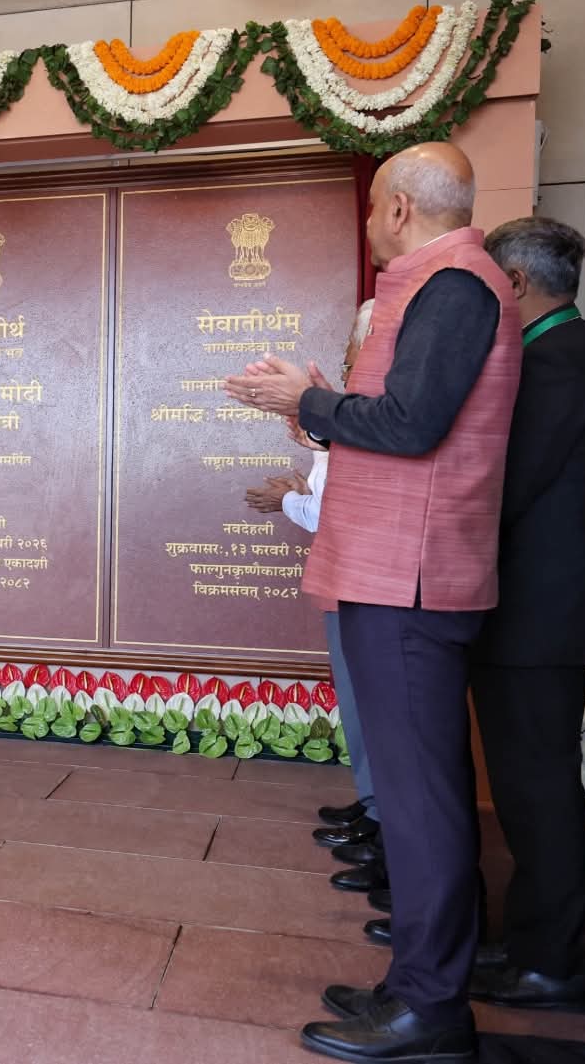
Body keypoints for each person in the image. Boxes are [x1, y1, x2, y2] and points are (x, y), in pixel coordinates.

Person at [226, 142, 521, 1063]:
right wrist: (315, 405)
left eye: (370, 206)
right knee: (412, 788)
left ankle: (431, 1010)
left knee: (421, 798)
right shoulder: (445, 285)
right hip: (397, 570)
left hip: (411, 577)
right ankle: (415, 984)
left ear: (398, 208)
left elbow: (411, 423)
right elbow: (402, 421)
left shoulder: (455, 287)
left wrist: (312, 401)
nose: (367, 223)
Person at [465, 217, 585, 1013]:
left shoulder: (560, 359)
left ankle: (553, 963)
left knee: (538, 788)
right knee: (529, 785)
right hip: (532, 606)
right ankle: (531, 943)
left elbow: (508, 481)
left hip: (539, 610)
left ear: (515, 284)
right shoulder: (561, 351)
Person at [245, 302, 387, 904]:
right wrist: (319, 455)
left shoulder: (379, 413)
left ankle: (382, 821)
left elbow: (337, 509)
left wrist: (289, 501)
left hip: (365, 581)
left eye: (357, 352)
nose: (351, 364)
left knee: (373, 710)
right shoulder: (353, 415)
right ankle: (375, 808)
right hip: (345, 577)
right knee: (360, 707)